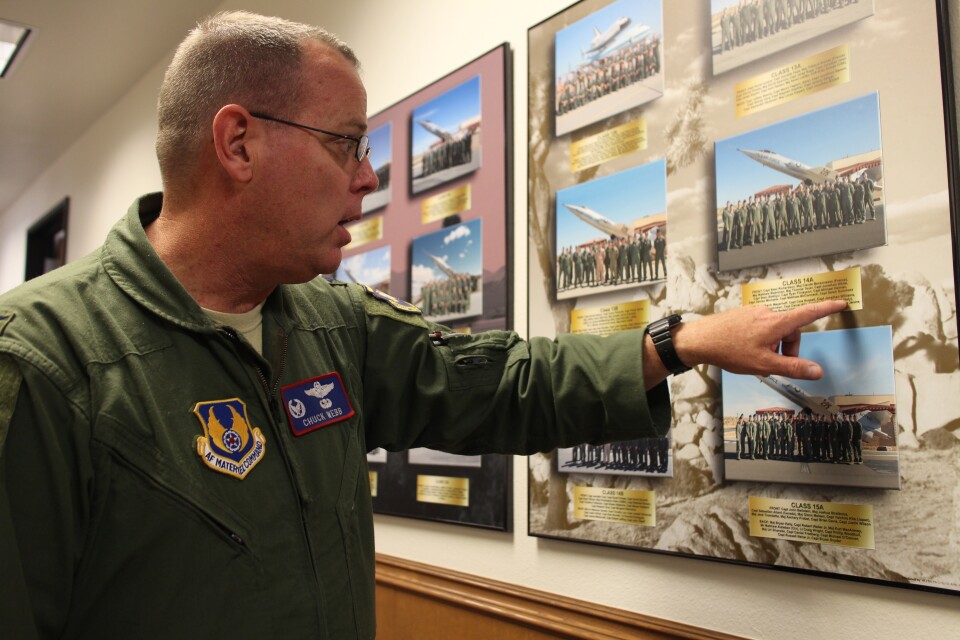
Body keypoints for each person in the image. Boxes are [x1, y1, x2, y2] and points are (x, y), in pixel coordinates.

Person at [0, 11, 847, 639]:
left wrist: (677, 343)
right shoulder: (46, 360)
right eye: (346, 144)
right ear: (239, 144)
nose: (368, 178)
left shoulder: (334, 324)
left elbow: (505, 383)